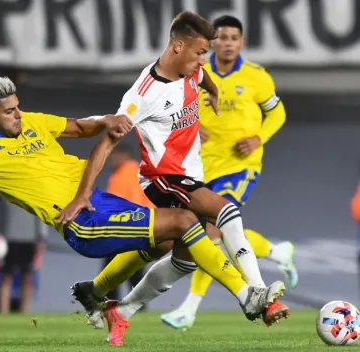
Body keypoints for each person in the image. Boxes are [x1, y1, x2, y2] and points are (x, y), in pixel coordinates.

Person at [0, 77, 282, 341]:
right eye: (9, 111)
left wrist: (106, 121)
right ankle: (247, 294)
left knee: (171, 243)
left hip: (99, 198)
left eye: (17, 105)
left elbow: (79, 127)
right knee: (184, 220)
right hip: (82, 220)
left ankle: (92, 292)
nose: (18, 113)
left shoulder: (32, 123)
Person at [60, 11, 289, 346]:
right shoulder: (143, 94)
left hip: (189, 174)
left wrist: (210, 90)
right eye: (199, 53)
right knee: (225, 211)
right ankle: (254, 292)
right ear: (178, 46)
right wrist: (83, 194)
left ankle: (114, 308)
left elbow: (202, 74)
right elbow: (106, 144)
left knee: (181, 256)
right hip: (162, 177)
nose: (202, 61)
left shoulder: (192, 70)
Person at [161, 15, 298, 330]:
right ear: (212, 43)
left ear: (241, 43)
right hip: (201, 166)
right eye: (221, 37)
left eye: (233, 38)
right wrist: (191, 127)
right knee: (212, 236)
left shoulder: (256, 77)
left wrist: (258, 138)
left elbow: (277, 112)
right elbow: (174, 111)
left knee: (211, 232)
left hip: (240, 167)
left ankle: (188, 310)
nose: (227, 43)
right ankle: (276, 251)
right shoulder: (194, 74)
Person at [0, 187, 48, 314]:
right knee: (5, 276)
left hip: (29, 237)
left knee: (27, 276)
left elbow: (42, 210)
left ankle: (25, 313)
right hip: (5, 238)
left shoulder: (35, 182)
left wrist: (42, 236)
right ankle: (3, 316)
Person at [101, 145, 154, 305]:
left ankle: (115, 305)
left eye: (114, 156)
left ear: (123, 155)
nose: (112, 160)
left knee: (120, 271)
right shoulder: (119, 174)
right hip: (125, 231)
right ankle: (128, 305)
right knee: (128, 271)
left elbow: (135, 202)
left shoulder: (130, 171)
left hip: (128, 231)